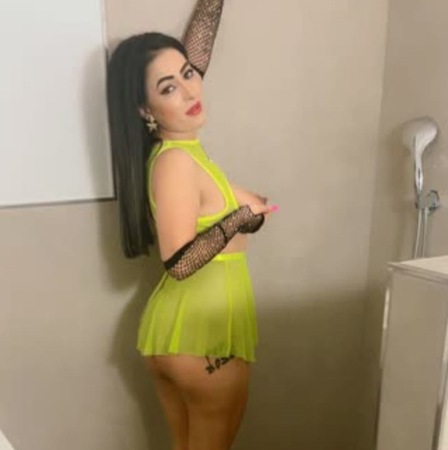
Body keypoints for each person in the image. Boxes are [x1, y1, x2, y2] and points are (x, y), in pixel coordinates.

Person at [107, 1, 277, 449]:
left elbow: (196, 55)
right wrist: (238, 220)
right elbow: (179, 261)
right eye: (168, 88)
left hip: (186, 333)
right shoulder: (176, 163)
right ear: (145, 109)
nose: (189, 90)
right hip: (203, 336)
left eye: (188, 74)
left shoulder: (184, 152)